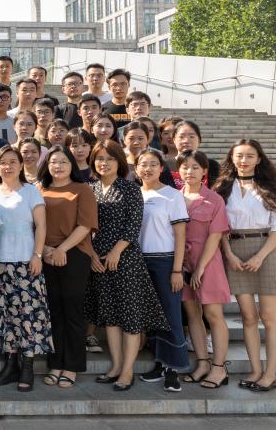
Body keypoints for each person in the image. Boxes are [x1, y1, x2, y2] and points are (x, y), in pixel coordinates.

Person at [84, 141, 168, 392]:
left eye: (110, 158)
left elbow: (133, 225)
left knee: (130, 317)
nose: (104, 163)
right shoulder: (90, 189)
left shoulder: (130, 189)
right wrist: (92, 256)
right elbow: (85, 227)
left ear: (119, 161)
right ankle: (116, 366)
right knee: (110, 317)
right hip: (98, 260)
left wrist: (116, 252)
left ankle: (128, 371)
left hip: (126, 259)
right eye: (100, 158)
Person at [213, 139, 276, 393]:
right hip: (234, 252)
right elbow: (219, 226)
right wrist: (228, 254)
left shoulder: (271, 188)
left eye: (249, 155)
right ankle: (255, 370)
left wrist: (260, 256)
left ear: (259, 159)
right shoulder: (223, 188)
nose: (243, 160)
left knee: (269, 317)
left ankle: (270, 374)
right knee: (248, 317)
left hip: (265, 250)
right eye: (239, 155)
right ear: (232, 158)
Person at [0, 146, 52, 392]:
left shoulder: (30, 191)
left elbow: (41, 226)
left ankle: (27, 366)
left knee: (28, 315)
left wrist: (37, 255)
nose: (8, 166)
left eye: (12, 161)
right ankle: (10, 363)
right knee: (5, 315)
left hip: (26, 263)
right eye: (3, 162)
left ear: (20, 164)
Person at [38, 145, 97, 388]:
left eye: (63, 161)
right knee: (53, 311)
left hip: (74, 253)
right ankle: (56, 363)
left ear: (72, 165)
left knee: (72, 310)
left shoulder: (82, 189)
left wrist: (62, 249)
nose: (58, 166)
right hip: (45, 254)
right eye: (54, 161)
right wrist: (45, 250)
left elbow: (86, 225)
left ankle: (71, 366)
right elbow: (31, 225)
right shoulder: (39, 189)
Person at [136, 147, 190, 391]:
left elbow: (180, 235)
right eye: (143, 164)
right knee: (151, 315)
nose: (147, 169)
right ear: (136, 168)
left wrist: (177, 270)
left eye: (152, 164)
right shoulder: (135, 194)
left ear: (161, 168)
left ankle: (173, 368)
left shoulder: (172, 195)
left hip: (165, 261)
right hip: (139, 261)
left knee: (170, 314)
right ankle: (159, 363)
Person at [178, 149, 232, 389]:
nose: (189, 171)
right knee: (192, 315)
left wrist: (200, 268)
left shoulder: (214, 200)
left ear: (204, 172)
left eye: (195, 167)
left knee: (213, 315)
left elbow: (215, 235)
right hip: (181, 265)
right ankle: (202, 363)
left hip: (208, 263)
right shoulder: (174, 198)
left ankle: (219, 368)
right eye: (185, 167)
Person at [170, 120, 221, 187]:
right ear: (174, 139)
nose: (186, 141)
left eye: (191, 136)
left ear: (199, 139)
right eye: (181, 137)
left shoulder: (212, 165)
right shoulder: (164, 166)